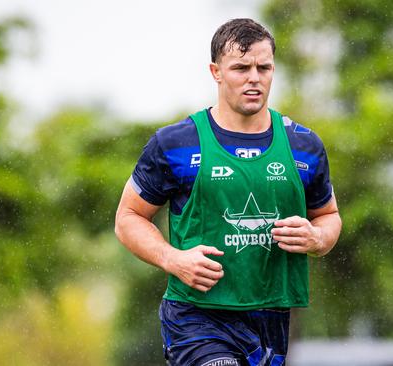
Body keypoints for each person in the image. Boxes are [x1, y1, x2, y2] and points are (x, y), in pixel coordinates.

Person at [114, 18, 341, 366]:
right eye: (241, 68)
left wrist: (316, 238)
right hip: (196, 315)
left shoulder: (304, 146)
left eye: (263, 67)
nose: (254, 77)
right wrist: (172, 258)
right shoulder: (175, 143)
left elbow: (328, 217)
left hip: (271, 316)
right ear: (216, 71)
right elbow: (128, 217)